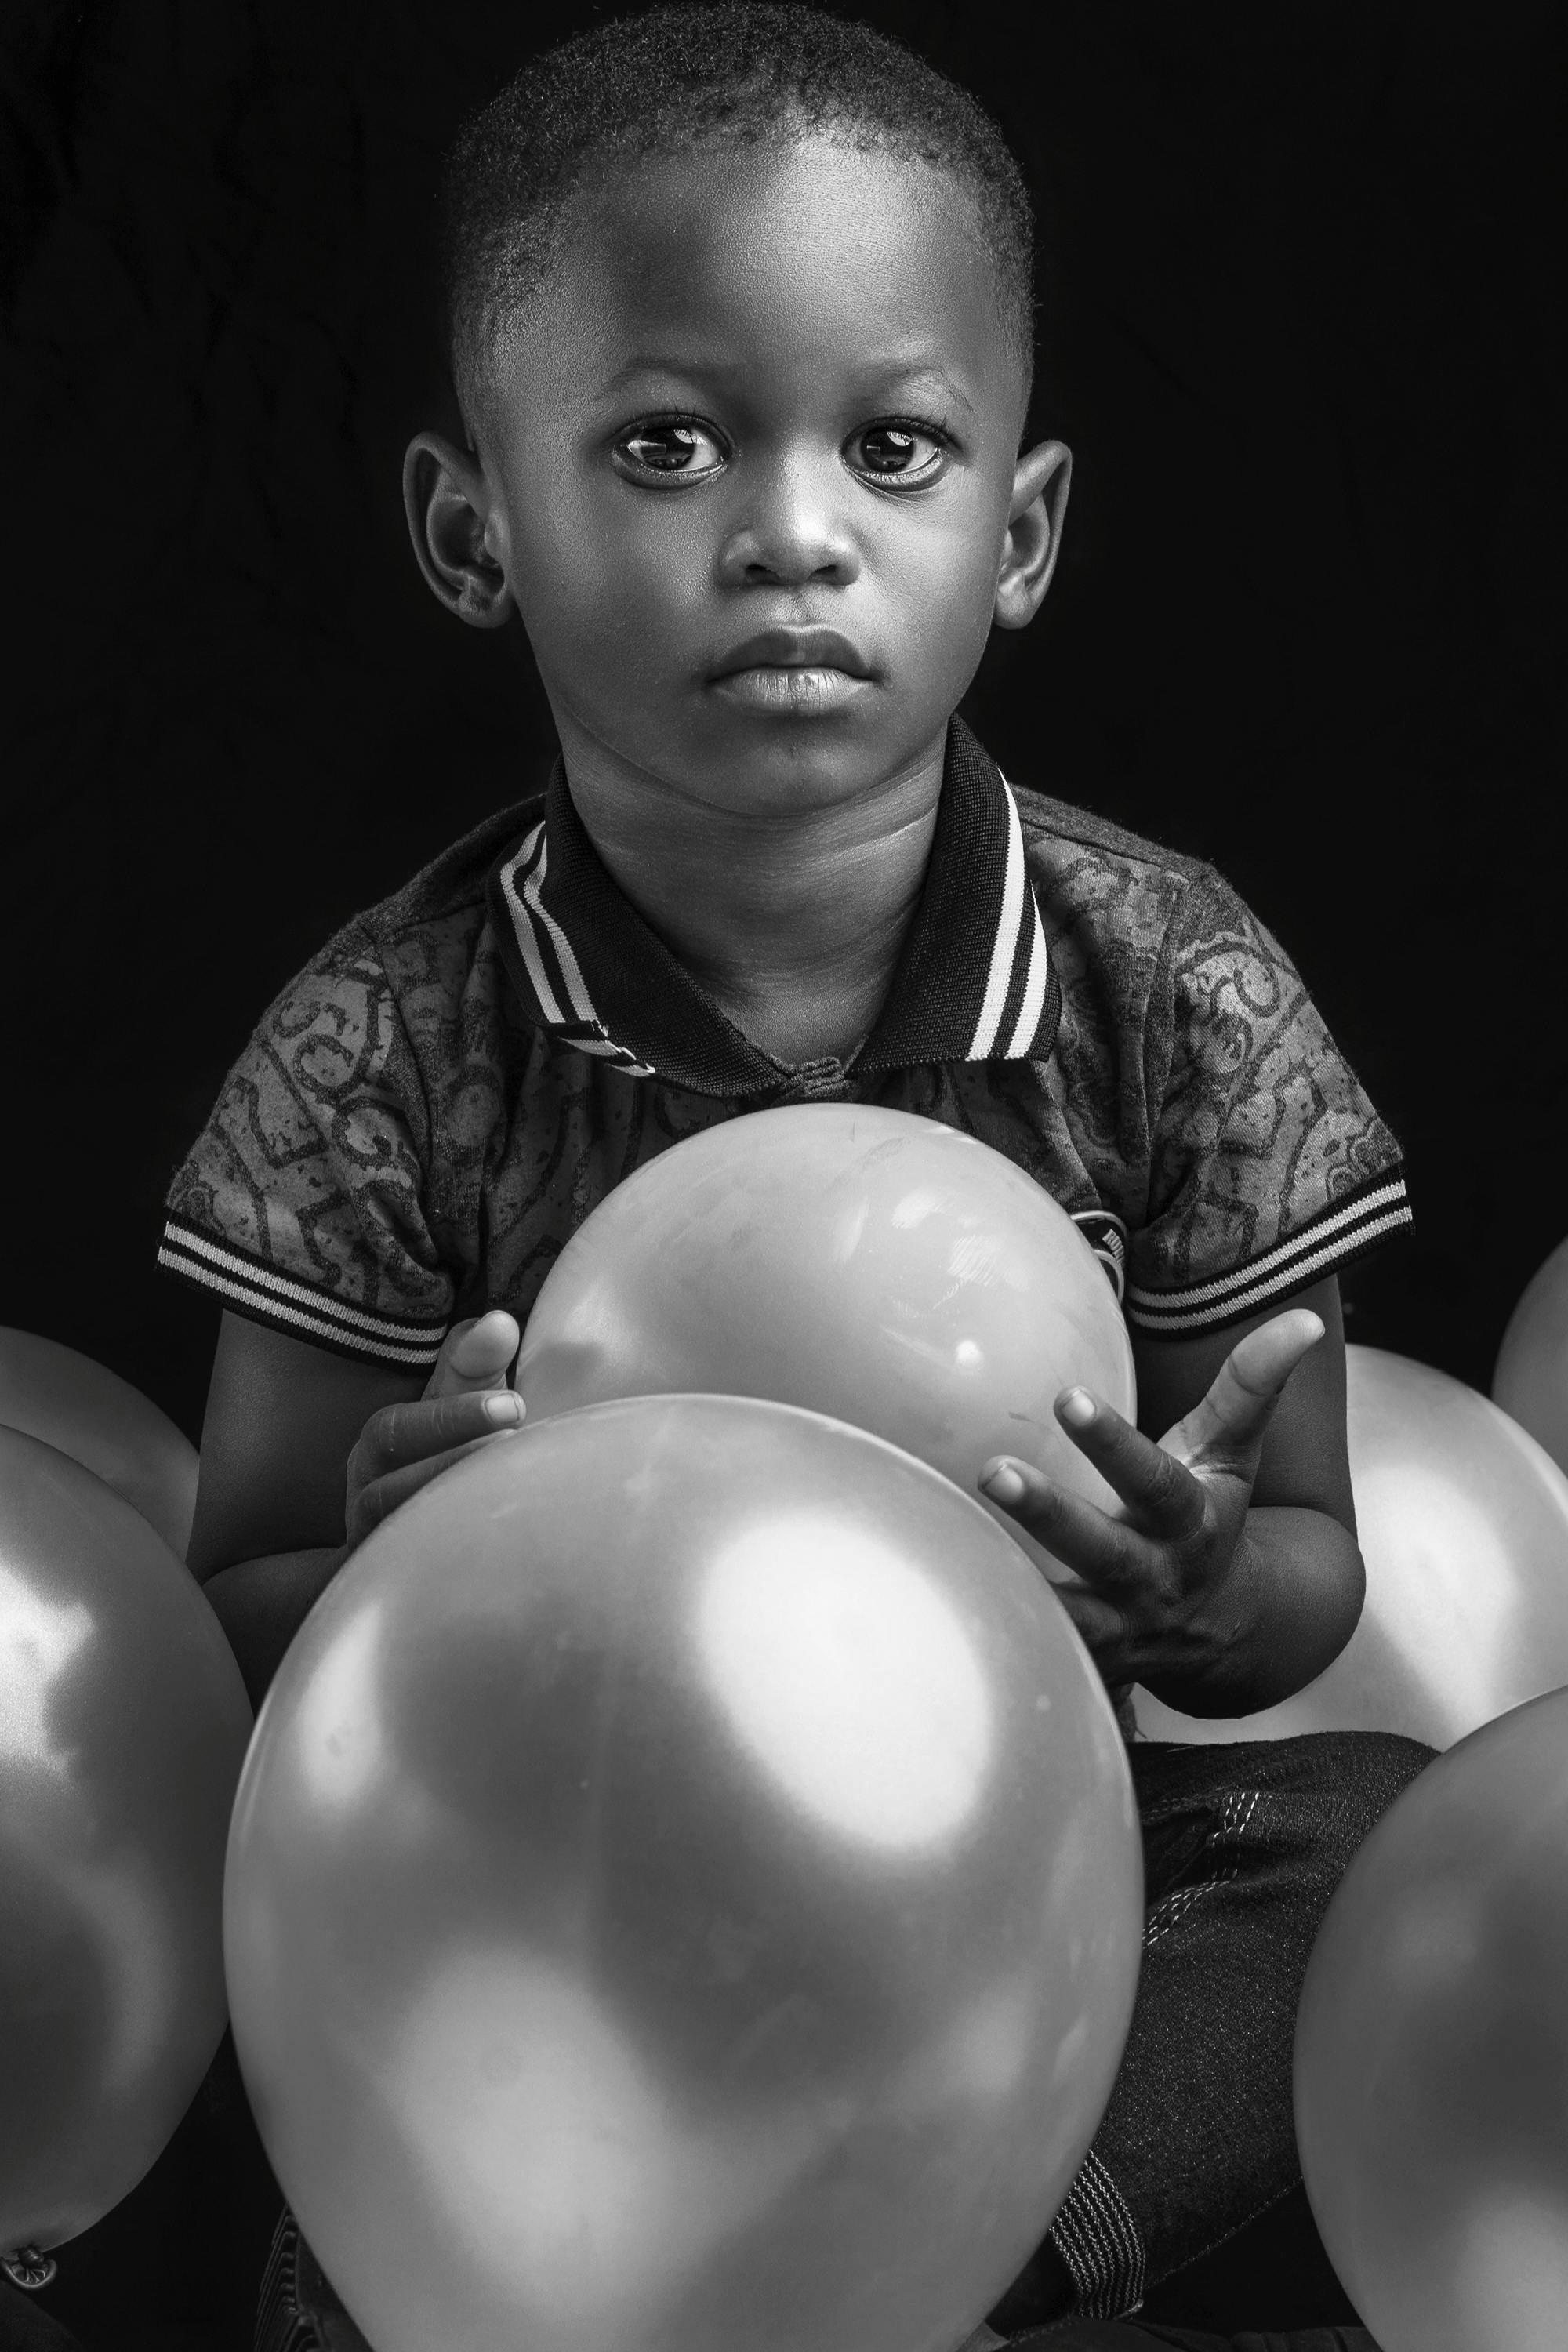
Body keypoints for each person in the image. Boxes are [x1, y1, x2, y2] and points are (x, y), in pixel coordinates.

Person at [162, 8, 1426, 2346]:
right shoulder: (389, 1038)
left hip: (1020, 1896)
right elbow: (229, 1584)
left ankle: (979, 2252)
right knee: (379, 2097)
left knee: (1362, 1844)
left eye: (898, 445)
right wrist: (374, 1556)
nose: (793, 530)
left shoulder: (1175, 985)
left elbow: (1307, 1580)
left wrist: (1195, 1582)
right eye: (664, 442)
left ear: (1019, 530)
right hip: (540, 1902)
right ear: (475, 529)